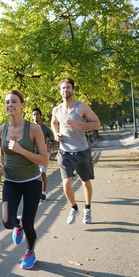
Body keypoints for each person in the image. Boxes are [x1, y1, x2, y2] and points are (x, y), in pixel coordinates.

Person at [0, 90, 48, 270]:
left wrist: (21, 150)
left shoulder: (34, 129)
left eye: (14, 102)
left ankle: (30, 252)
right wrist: (0, 165)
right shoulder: (0, 130)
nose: (10, 105)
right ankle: (17, 224)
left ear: (22, 105)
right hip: (10, 181)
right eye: (7, 102)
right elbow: (1, 153)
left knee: (29, 223)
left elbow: (44, 159)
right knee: (8, 222)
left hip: (32, 181)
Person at [51, 78, 101, 225]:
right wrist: (55, 133)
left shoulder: (82, 107)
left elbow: (97, 124)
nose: (65, 90)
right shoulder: (56, 109)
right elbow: (54, 121)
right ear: (60, 91)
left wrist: (77, 124)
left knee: (86, 183)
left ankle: (87, 208)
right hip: (64, 152)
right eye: (63, 88)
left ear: (73, 90)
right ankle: (74, 208)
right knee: (66, 184)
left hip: (82, 151)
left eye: (68, 87)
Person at [32, 107, 57, 202]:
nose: (36, 116)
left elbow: (54, 140)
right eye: (34, 114)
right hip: (33, 155)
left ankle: (43, 193)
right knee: (33, 175)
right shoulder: (30, 128)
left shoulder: (45, 129)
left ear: (40, 116)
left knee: (42, 173)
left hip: (44, 154)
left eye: (37, 114)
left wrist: (50, 147)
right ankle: (34, 193)